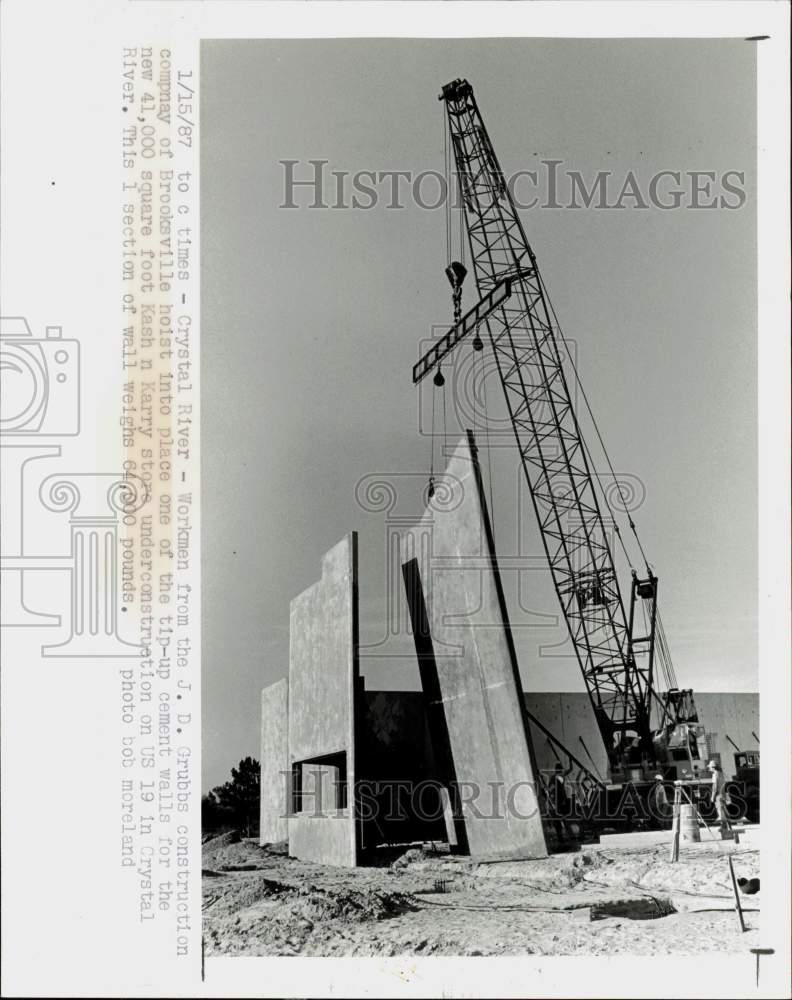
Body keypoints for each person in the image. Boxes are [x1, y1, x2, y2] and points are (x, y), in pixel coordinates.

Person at [707, 759, 731, 836]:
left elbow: (715, 786)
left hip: (718, 795)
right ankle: (729, 826)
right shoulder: (721, 773)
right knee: (724, 810)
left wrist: (712, 796)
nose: (709, 768)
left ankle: (724, 827)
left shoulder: (715, 774)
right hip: (723, 794)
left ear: (713, 767)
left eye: (710, 767)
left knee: (720, 811)